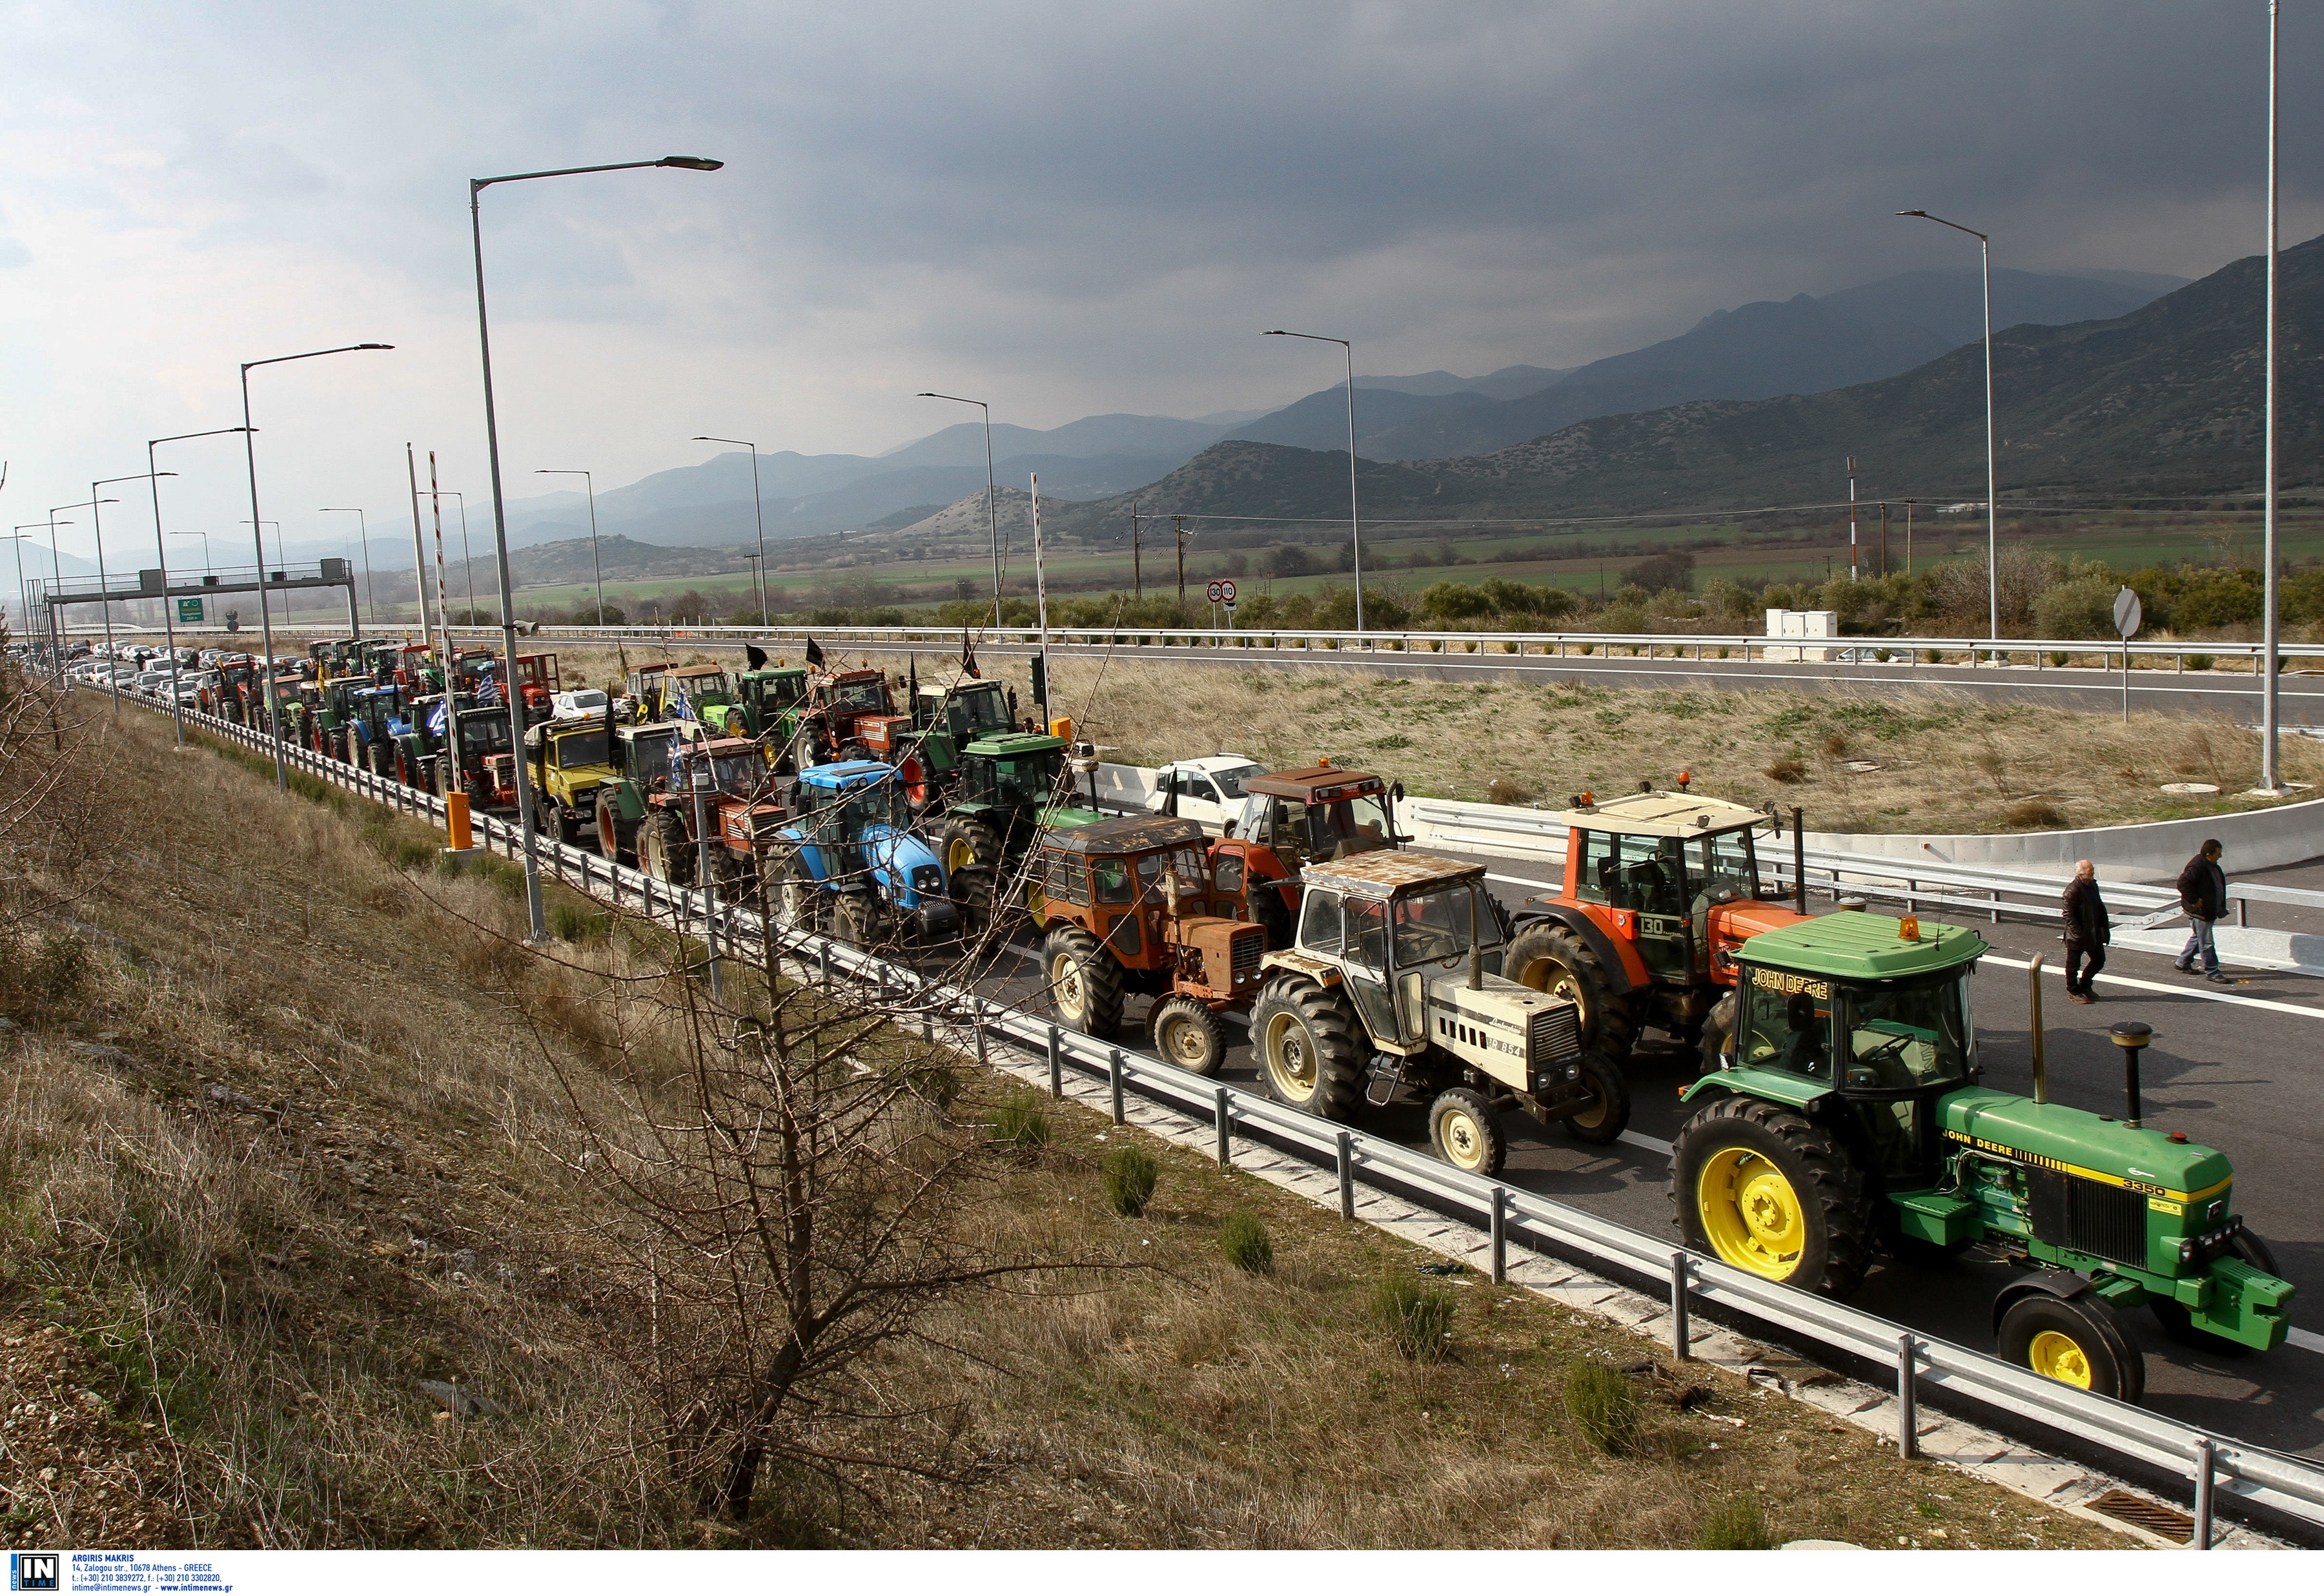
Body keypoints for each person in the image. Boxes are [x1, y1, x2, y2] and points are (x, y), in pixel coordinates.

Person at [2174, 838, 2230, 985]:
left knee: (2198, 937)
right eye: (2218, 854)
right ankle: (2212, 971)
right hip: (2200, 911)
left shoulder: (2212, 865)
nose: (2221, 856)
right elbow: (2183, 884)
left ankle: (2182, 962)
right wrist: (2195, 901)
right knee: (2207, 942)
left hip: (2207, 909)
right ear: (2208, 855)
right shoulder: (2197, 866)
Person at [2061, 859, 2111, 1003]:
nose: (2093, 873)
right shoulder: (2073, 890)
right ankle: (2073, 991)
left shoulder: (2093, 885)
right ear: (2082, 874)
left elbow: (2099, 906)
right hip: (2077, 936)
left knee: (2099, 960)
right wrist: (2078, 934)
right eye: (2091, 871)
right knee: (2073, 966)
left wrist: (2103, 928)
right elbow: (2068, 915)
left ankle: (2085, 985)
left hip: (2093, 932)